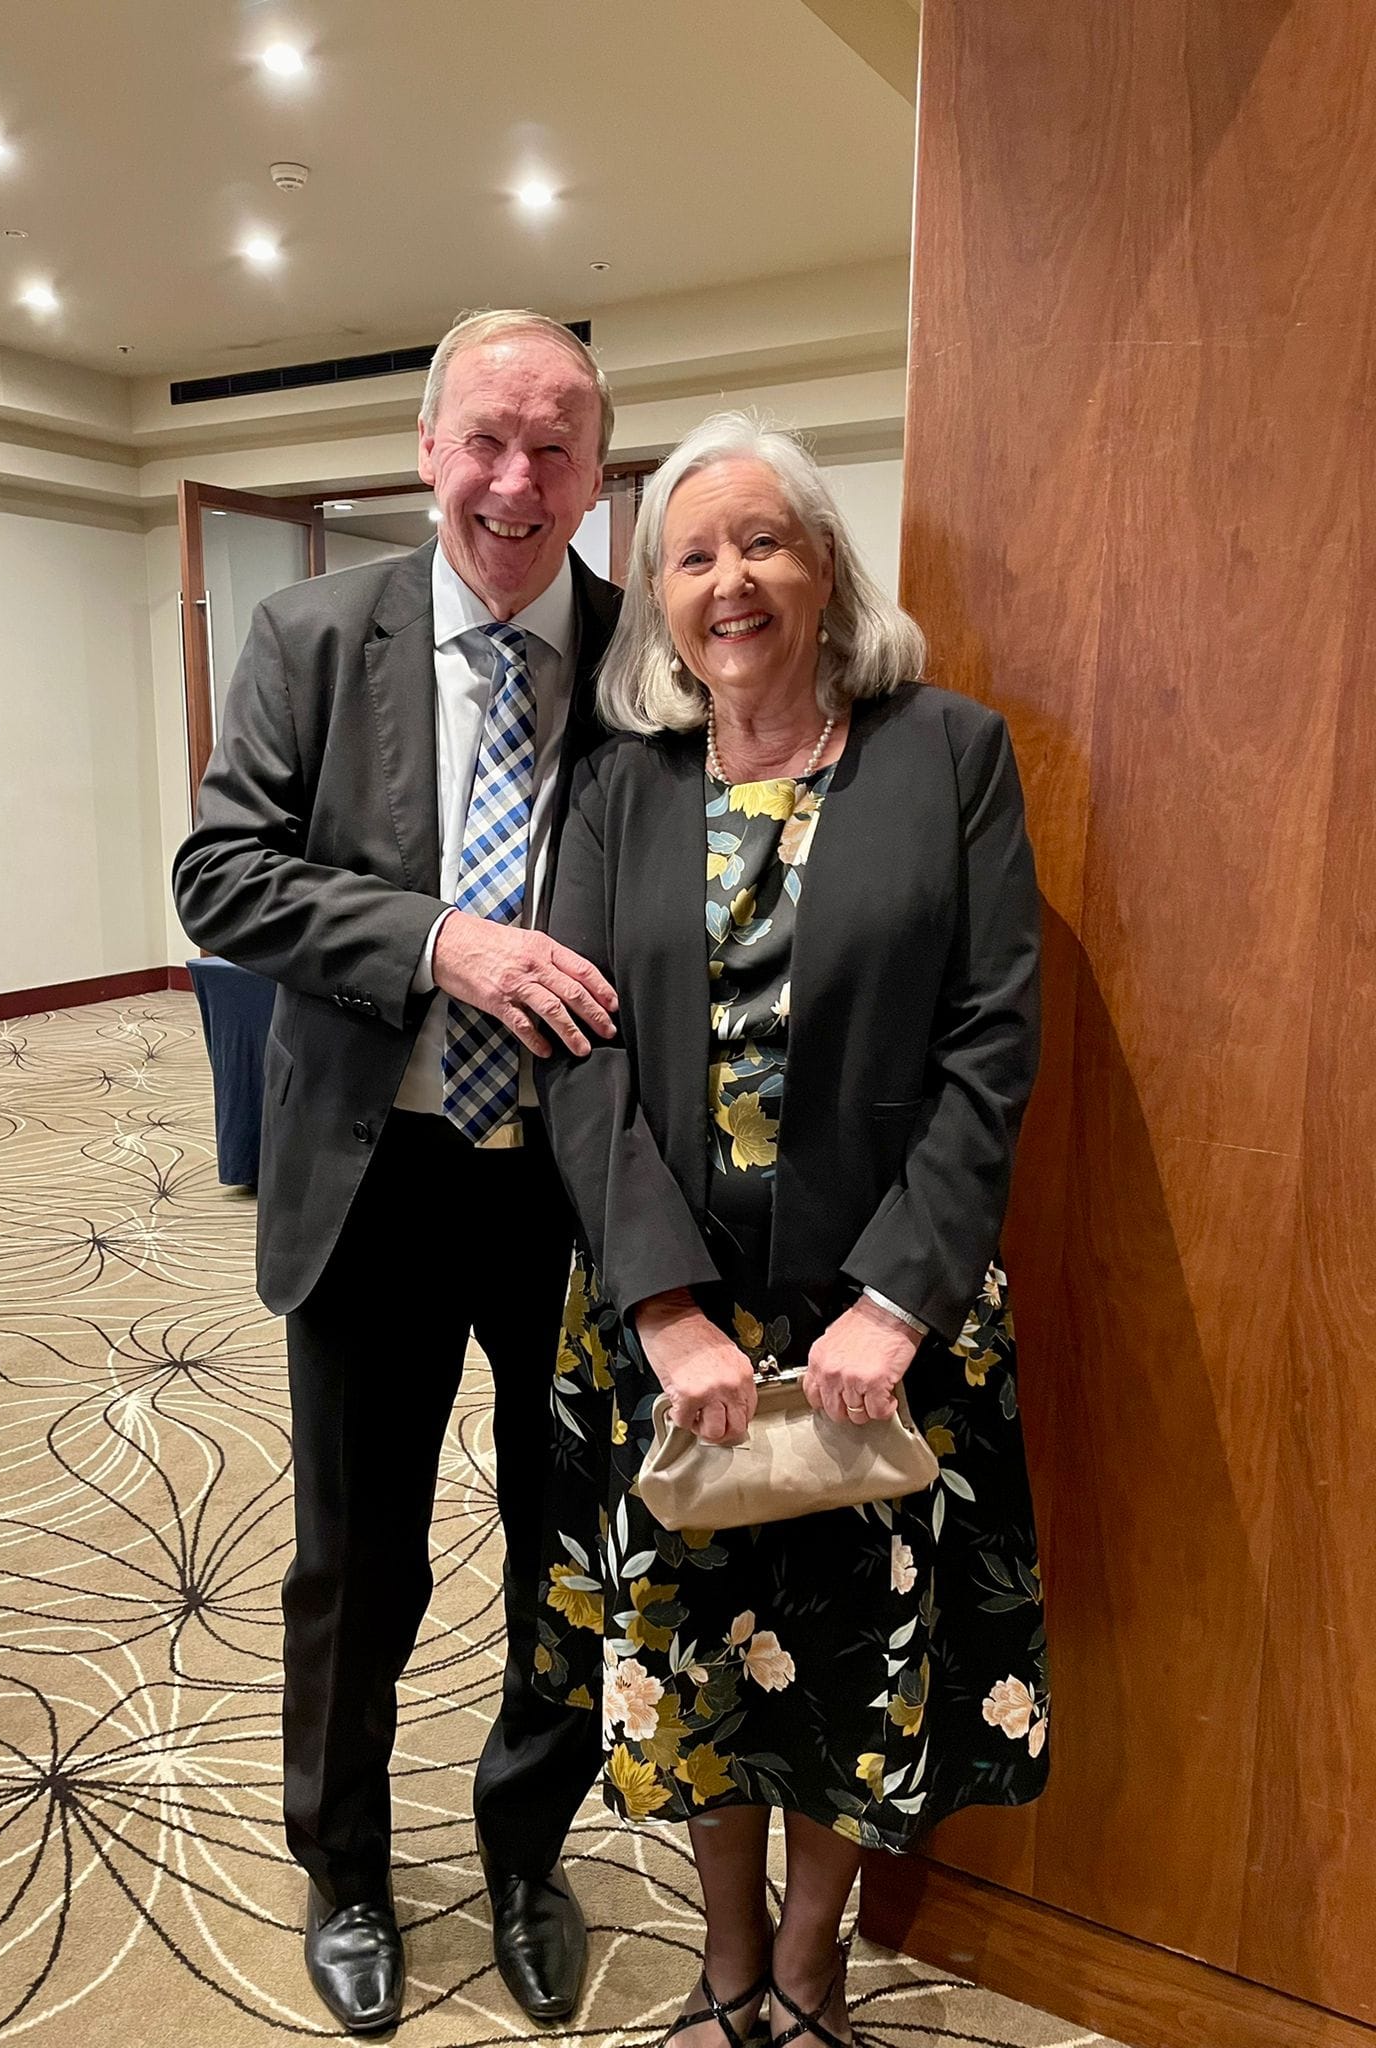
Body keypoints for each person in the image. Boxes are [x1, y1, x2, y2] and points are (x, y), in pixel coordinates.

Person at [535, 413, 1048, 2048]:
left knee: (850, 1661)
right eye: (691, 556)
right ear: (659, 599)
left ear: (826, 564)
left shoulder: (949, 753)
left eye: (762, 541)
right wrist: (662, 1305)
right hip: (676, 1309)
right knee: (695, 1657)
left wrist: (899, 1299)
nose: (729, 581)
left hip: (880, 1314)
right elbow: (578, 1054)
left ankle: (811, 1963)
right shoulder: (616, 786)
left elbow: (991, 1042)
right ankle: (727, 1959)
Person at [172, 309, 623, 2034]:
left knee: (563, 1540)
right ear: (428, 448)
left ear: (595, 470)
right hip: (376, 1176)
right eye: (486, 439)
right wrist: (442, 942)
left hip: (575, 1183)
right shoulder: (310, 636)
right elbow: (223, 877)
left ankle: (527, 1849)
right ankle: (346, 1866)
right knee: (357, 1558)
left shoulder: (642, 657)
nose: (517, 481)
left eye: (555, 447)